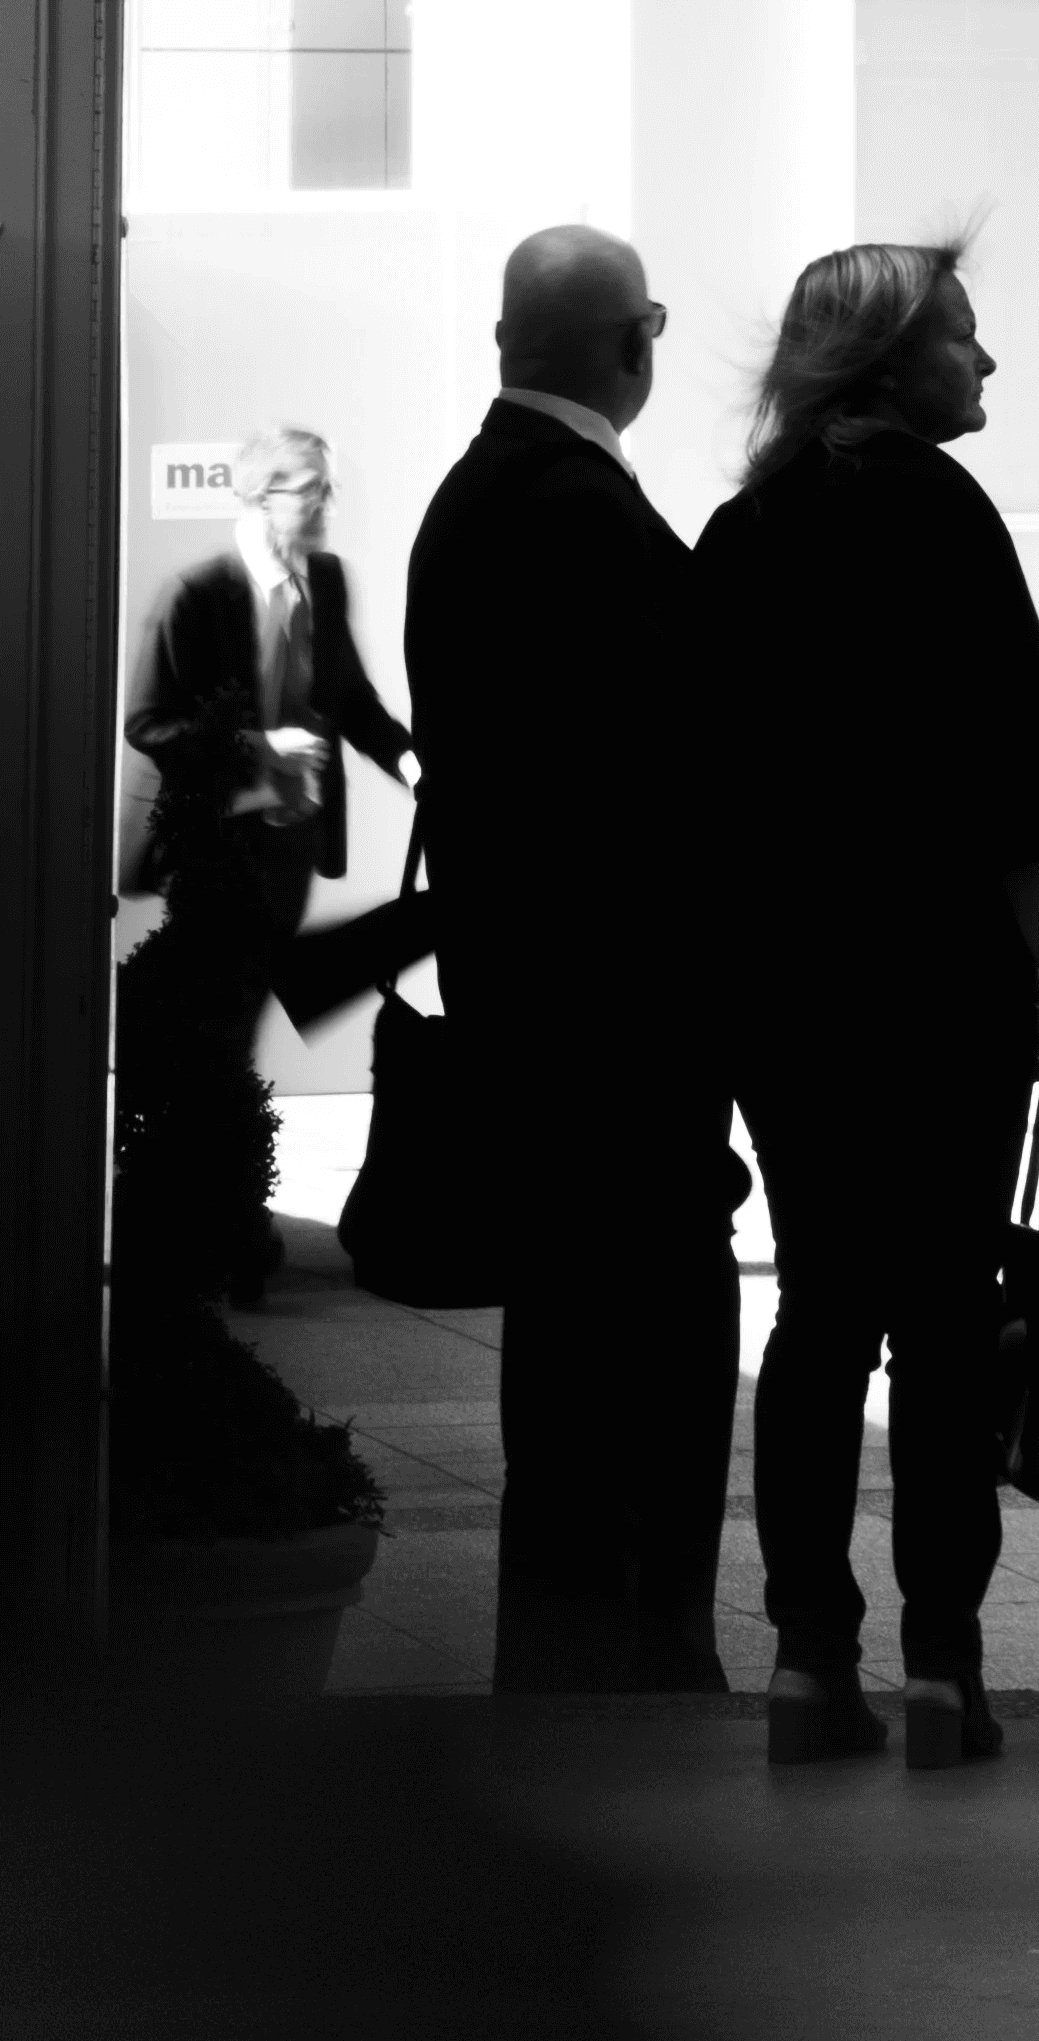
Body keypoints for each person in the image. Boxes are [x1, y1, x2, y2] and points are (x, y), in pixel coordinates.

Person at [694, 241, 1039, 1775]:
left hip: (788, 989)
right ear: (888, 361)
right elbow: (1014, 776)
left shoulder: (745, 530)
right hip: (942, 982)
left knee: (817, 1313)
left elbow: (703, 784)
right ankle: (946, 1670)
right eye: (964, 337)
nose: (985, 364)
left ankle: (808, 1660)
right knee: (944, 1323)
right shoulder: (941, 514)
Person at [407, 230, 746, 1691]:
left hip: (528, 1004)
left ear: (503, 342)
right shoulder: (579, 512)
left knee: (560, 1360)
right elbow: (660, 773)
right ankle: (640, 1643)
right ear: (638, 340)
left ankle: (561, 1646)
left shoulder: (473, 498)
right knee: (654, 1340)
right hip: (623, 1023)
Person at [120, 428, 415, 1298]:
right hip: (213, 845)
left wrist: (408, 761)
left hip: (289, 844)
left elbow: (349, 698)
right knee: (223, 1021)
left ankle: (223, 1215)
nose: (324, 504)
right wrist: (256, 745)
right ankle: (224, 1223)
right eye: (307, 489)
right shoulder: (195, 593)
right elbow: (149, 721)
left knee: (241, 1016)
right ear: (258, 496)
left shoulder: (324, 580)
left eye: (326, 488)